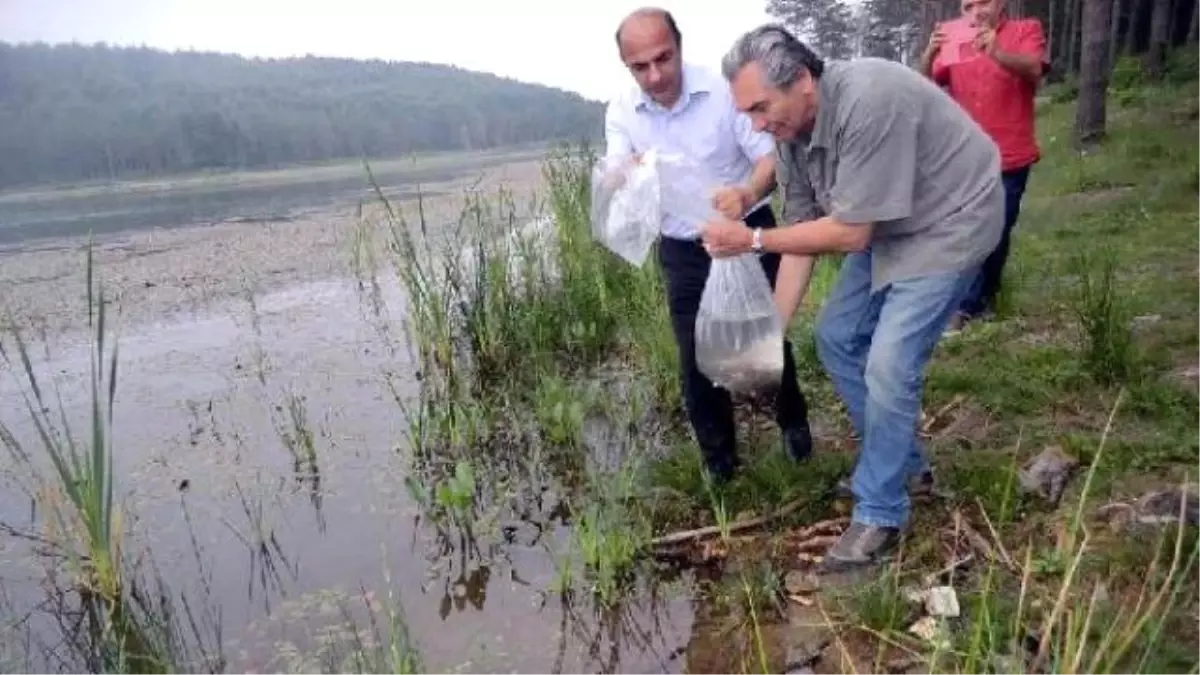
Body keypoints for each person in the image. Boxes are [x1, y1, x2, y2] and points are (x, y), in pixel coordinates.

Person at [702, 24, 1004, 572]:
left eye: (760, 107)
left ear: (802, 81)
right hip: (889, 221)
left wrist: (750, 239)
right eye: (746, 113)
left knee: (890, 365)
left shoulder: (870, 99)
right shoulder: (790, 136)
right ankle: (905, 465)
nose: (756, 124)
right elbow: (802, 234)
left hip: (951, 219)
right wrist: (771, 333)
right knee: (837, 338)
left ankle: (882, 510)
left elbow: (849, 234)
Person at [604, 8, 813, 482]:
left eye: (664, 58)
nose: (656, 75)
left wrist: (744, 195)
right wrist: (629, 171)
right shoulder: (621, 111)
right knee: (695, 357)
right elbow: (615, 172)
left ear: (679, 46)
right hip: (684, 248)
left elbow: (770, 159)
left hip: (746, 231)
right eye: (641, 67)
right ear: (626, 66)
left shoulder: (723, 90)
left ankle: (794, 426)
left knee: (765, 337)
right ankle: (720, 462)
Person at [919, 0, 1049, 333]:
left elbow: (1035, 70)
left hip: (1011, 154)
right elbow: (924, 88)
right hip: (966, 157)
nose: (976, 10)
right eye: (968, 5)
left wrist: (998, 51)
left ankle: (979, 299)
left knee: (998, 229)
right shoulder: (954, 36)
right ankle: (968, 304)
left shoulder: (1025, 30)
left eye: (984, 2)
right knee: (969, 230)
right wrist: (929, 56)